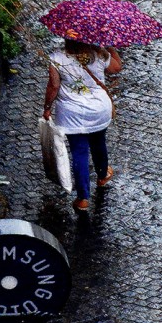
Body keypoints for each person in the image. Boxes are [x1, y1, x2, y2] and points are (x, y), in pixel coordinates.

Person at [42, 39, 122, 211]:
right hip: (98, 110)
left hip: (72, 114)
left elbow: (54, 86)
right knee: (99, 142)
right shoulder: (99, 53)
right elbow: (116, 68)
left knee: (79, 152)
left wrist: (47, 107)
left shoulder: (57, 57)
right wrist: (111, 47)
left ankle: (83, 198)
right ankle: (102, 175)